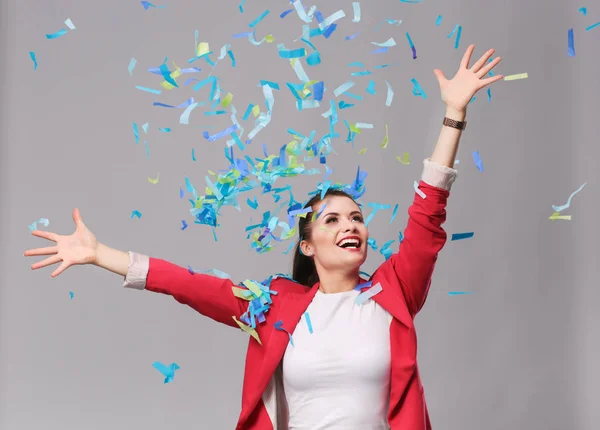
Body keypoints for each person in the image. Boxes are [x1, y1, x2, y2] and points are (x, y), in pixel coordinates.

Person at [24, 45, 503, 429]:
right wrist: (98, 253)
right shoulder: (273, 305)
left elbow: (426, 216)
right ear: (307, 245)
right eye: (332, 220)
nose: (350, 225)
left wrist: (453, 116)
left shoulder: (393, 293)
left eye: (356, 217)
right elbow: (187, 284)